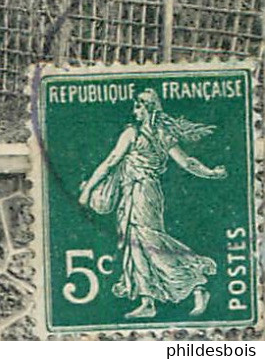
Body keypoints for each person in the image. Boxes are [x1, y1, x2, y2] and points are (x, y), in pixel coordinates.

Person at [78, 88, 225, 319]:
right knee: (135, 242)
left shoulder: (132, 133)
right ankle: (148, 301)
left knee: (147, 241)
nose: (134, 111)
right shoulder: (162, 135)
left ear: (147, 109)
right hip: (139, 192)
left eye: (138, 106)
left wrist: (87, 190)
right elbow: (187, 163)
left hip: (141, 192)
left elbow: (110, 162)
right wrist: (211, 173)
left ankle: (196, 285)